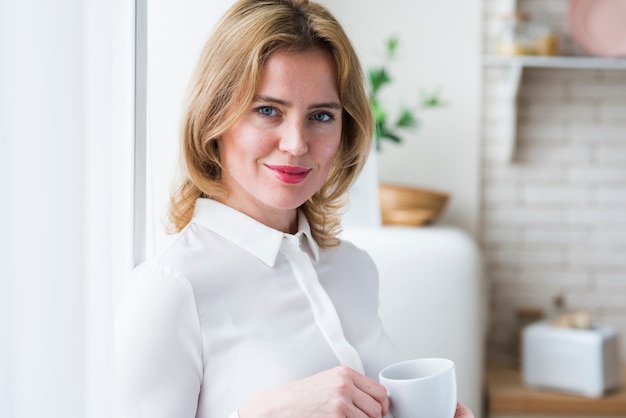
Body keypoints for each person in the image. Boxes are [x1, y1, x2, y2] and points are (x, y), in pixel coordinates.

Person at [114, 1, 474, 417]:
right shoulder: (170, 290)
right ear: (215, 115)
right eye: (268, 110)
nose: (296, 144)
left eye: (321, 116)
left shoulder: (353, 268)